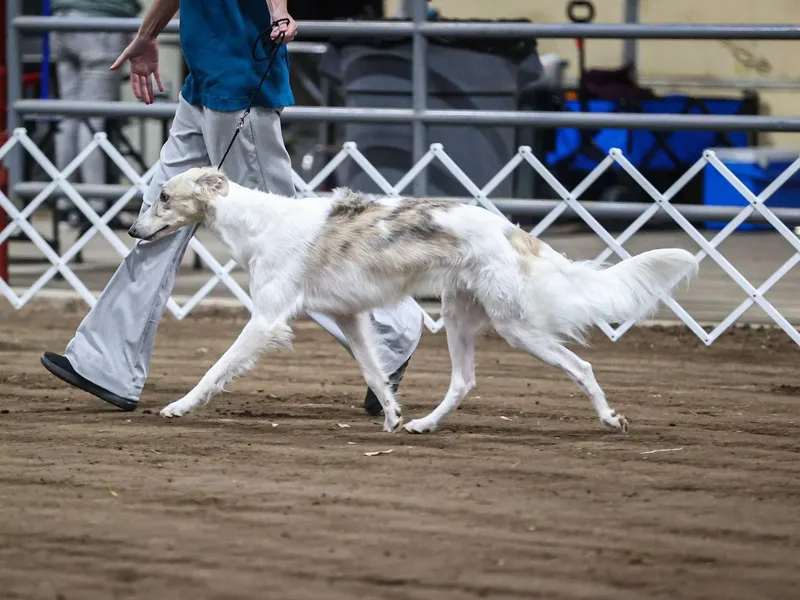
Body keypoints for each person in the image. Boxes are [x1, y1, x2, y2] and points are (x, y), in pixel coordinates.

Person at [41, 0, 422, 417]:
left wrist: (278, 12)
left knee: (292, 248)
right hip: (202, 81)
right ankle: (105, 363)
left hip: (240, 80)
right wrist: (147, 35)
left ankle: (392, 333)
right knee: (155, 223)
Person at [50, 0, 142, 227]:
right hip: (100, 21)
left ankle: (67, 207)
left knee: (69, 118)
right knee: (92, 120)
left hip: (61, 18)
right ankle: (96, 209)